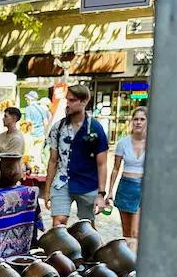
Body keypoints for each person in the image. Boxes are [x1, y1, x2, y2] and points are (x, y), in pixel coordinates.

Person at [44, 84, 109, 225]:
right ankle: (60, 248)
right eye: (67, 100)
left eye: (72, 100)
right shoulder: (58, 128)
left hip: (87, 183)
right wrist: (47, 190)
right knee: (58, 226)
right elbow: (53, 161)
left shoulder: (95, 128)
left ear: (84, 101)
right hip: (62, 182)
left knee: (87, 228)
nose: (68, 104)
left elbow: (102, 163)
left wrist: (101, 194)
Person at [106, 106, 147, 239]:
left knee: (136, 232)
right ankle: (128, 258)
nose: (138, 122)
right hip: (126, 186)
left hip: (142, 187)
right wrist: (110, 191)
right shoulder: (123, 143)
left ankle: (136, 258)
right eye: (135, 119)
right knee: (127, 232)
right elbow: (116, 168)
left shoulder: (153, 143)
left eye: (142, 119)